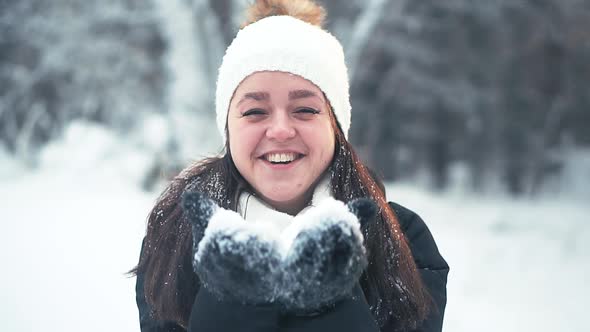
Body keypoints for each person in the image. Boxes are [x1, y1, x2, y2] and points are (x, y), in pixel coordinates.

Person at [132, 0, 449, 331]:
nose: (281, 130)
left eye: (305, 110)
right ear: (228, 129)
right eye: (255, 112)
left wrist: (329, 303)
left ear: (336, 126)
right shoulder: (175, 236)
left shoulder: (401, 239)